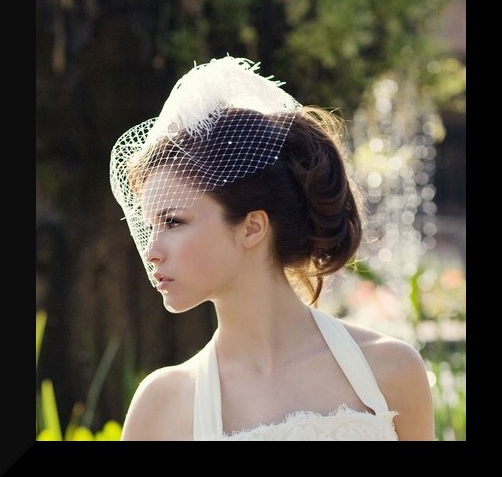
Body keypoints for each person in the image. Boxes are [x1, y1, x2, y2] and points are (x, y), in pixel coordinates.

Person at [109, 56, 435, 441]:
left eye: (174, 222)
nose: (151, 251)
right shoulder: (162, 405)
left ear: (252, 228)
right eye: (150, 226)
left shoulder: (390, 368)